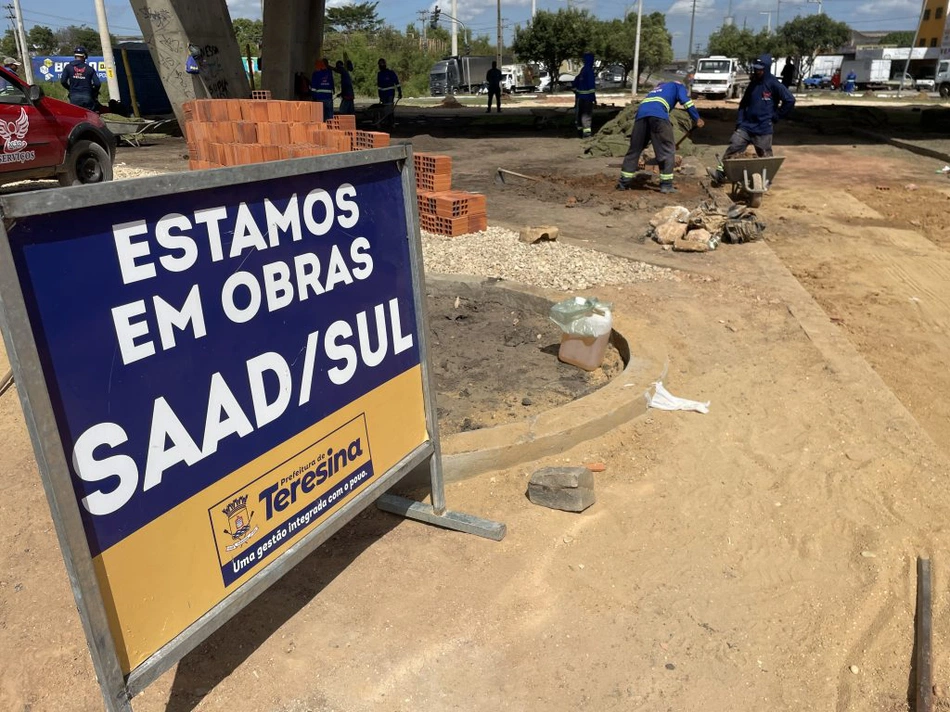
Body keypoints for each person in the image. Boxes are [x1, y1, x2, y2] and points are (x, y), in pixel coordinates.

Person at [707, 53, 795, 185]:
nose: (757, 71)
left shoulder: (773, 84)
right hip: (746, 126)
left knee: (765, 156)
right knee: (733, 147)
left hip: (763, 128)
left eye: (760, 69)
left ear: (766, 68)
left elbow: (790, 100)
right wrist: (740, 121)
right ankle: (720, 174)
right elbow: (744, 104)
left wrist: (776, 116)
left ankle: (766, 181)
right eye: (756, 68)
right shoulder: (753, 84)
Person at [617, 80, 703, 194]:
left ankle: (623, 183)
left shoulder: (656, 90)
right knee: (667, 151)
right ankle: (666, 185)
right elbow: (687, 102)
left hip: (641, 116)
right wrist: (696, 118)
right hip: (658, 116)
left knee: (634, 149)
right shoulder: (677, 86)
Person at [60, 46, 101, 110]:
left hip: (74, 97)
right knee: (88, 115)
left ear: (75, 56)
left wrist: (70, 88)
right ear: (84, 56)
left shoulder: (68, 67)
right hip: (87, 96)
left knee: (75, 115)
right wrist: (94, 91)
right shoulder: (90, 69)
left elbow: (63, 81)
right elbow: (97, 84)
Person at [572, 52, 596, 138]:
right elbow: (591, 86)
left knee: (579, 115)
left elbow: (575, 82)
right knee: (586, 116)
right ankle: (587, 134)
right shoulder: (589, 71)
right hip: (587, 98)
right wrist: (593, 98)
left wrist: (576, 90)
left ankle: (579, 132)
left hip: (580, 98)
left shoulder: (582, 70)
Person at [376, 57, 401, 130]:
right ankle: (387, 122)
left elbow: (397, 83)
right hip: (384, 95)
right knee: (385, 109)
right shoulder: (379, 74)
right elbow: (379, 86)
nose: (381, 66)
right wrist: (380, 95)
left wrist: (400, 92)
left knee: (389, 109)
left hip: (390, 94)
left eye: (382, 64)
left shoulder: (390, 73)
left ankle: (391, 123)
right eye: (380, 64)